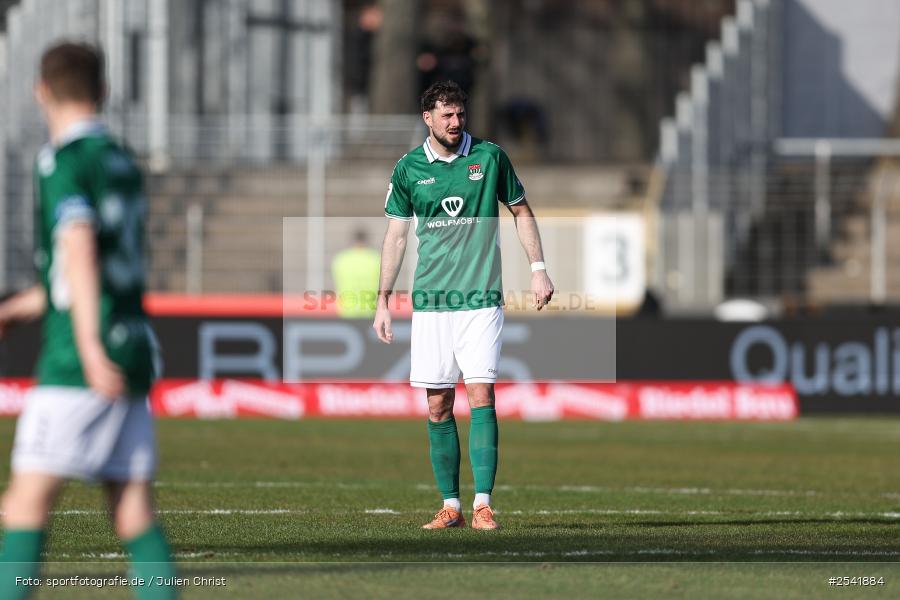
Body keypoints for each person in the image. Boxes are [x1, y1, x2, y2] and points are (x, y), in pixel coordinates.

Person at [0, 42, 175, 599]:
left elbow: (78, 251)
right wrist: (15, 310)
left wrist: (90, 347)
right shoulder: (121, 159)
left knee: (24, 505)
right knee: (132, 509)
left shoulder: (63, 160)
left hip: (79, 358)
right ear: (103, 91)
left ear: (41, 91)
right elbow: (81, 272)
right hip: (133, 343)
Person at [373, 80, 554, 530]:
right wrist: (383, 300)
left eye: (460, 114)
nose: (456, 122)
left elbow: (521, 211)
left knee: (481, 394)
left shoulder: (490, 158)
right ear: (428, 119)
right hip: (431, 301)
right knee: (438, 405)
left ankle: (483, 505)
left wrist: (538, 268)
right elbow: (396, 237)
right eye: (447, 115)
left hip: (480, 298)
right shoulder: (409, 168)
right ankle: (450, 505)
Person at [331, 229, 381, 318]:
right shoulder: (376, 259)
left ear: (352, 241)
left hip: (346, 310)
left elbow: (337, 281)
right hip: (370, 310)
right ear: (367, 240)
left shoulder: (340, 259)